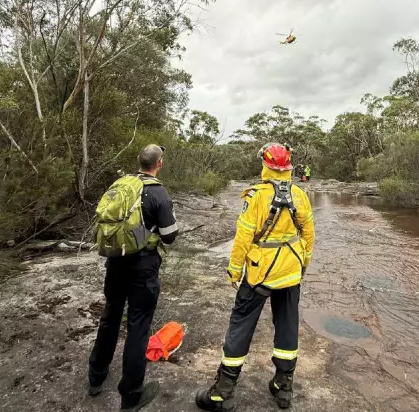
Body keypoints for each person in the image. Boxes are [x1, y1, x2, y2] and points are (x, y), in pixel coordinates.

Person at [195, 143, 315, 411]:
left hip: (260, 274)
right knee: (287, 326)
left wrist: (235, 270)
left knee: (241, 325)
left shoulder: (256, 196)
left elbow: (243, 237)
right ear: (289, 167)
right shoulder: (300, 195)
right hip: (291, 272)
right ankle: (283, 387)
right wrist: (303, 264)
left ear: (266, 165)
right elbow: (308, 235)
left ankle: (222, 390)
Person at [87, 144, 179, 411]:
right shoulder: (158, 192)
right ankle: (131, 395)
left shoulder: (120, 183)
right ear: (158, 164)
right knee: (138, 326)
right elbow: (170, 236)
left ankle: (95, 377)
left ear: (139, 162)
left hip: (115, 262)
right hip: (143, 266)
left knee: (110, 316)